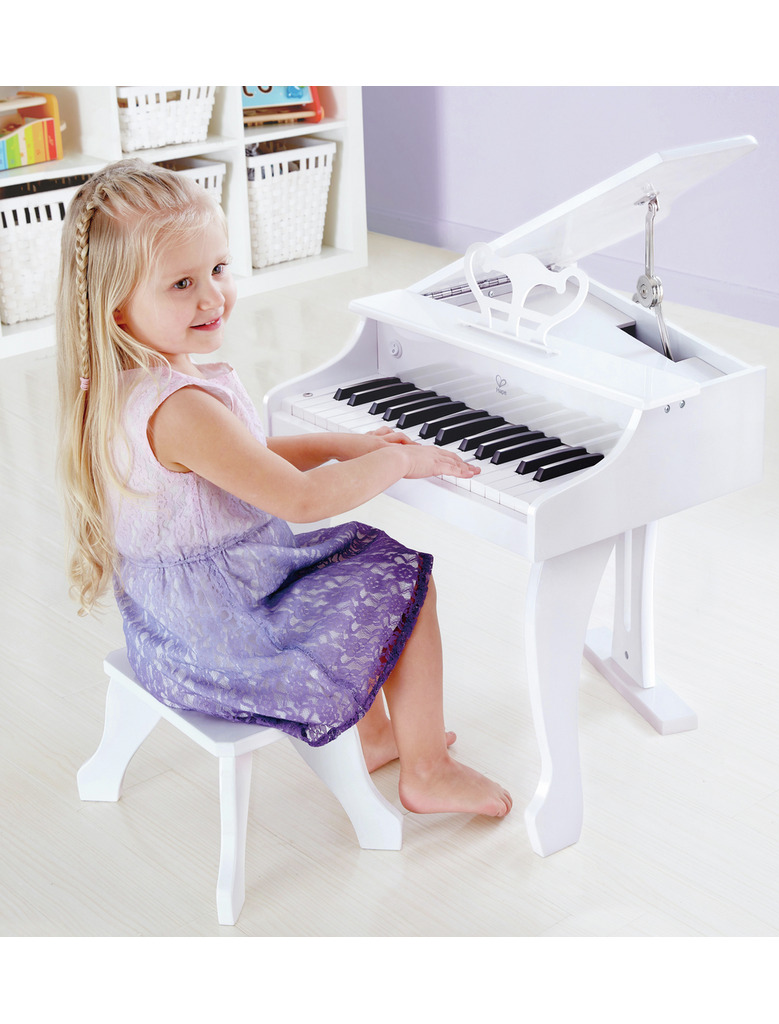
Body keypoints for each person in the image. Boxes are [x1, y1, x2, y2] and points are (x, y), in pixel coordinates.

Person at [55, 159, 511, 818]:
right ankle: (427, 771)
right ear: (116, 303)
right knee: (399, 576)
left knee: (351, 565)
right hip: (230, 639)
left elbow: (240, 463)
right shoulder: (179, 408)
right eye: (181, 284)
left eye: (218, 269)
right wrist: (397, 465)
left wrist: (342, 445)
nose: (212, 298)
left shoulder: (126, 386)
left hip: (175, 633)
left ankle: (378, 736)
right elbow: (299, 500)